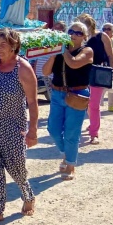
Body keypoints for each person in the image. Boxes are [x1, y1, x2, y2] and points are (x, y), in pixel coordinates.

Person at [0, 28, 38, 224]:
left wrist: (33, 131)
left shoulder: (23, 68)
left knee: (16, 168)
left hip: (12, 127)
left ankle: (28, 196)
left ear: (14, 46)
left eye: (4, 45)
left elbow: (33, 101)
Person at [42, 22, 93, 181]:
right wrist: (53, 52)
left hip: (77, 94)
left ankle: (70, 165)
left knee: (72, 133)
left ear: (84, 37)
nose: (73, 34)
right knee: (53, 128)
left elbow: (74, 63)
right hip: (57, 93)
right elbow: (45, 71)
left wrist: (62, 50)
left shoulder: (87, 51)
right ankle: (67, 153)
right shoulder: (60, 51)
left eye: (78, 33)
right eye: (71, 31)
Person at [75, 13, 113, 144]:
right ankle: (92, 125)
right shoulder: (79, 39)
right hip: (82, 73)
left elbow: (110, 54)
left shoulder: (102, 36)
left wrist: (111, 71)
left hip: (98, 73)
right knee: (85, 102)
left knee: (94, 104)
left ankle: (94, 133)